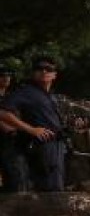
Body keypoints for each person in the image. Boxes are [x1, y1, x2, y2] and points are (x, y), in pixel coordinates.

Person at [0, 56, 67, 191]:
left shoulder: (51, 96)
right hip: (41, 147)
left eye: (48, 69)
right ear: (33, 73)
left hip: (58, 147)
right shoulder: (26, 92)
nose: (44, 71)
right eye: (39, 68)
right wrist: (31, 129)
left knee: (56, 188)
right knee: (48, 190)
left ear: (54, 75)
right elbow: (2, 112)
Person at [0, 63, 31, 193]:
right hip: (6, 141)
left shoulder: (10, 96)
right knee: (17, 178)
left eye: (8, 75)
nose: (6, 77)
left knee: (18, 178)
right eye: (2, 75)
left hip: (14, 142)